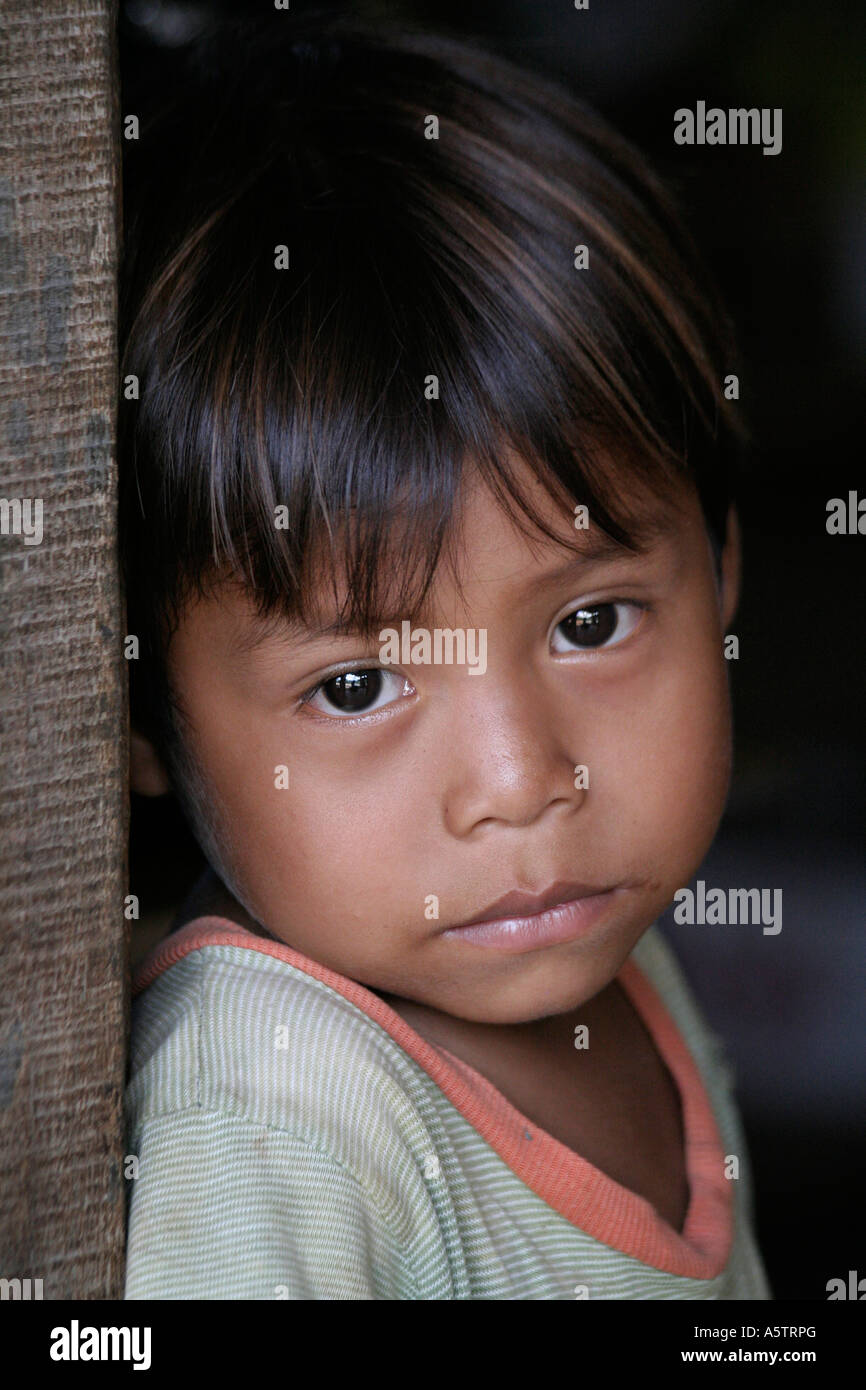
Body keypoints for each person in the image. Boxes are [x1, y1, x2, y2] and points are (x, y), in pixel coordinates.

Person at [120, 9, 771, 1299]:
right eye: (356, 686)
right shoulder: (273, 1109)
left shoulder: (601, 939)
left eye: (591, 623)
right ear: (139, 723)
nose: (522, 782)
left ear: (721, 571)